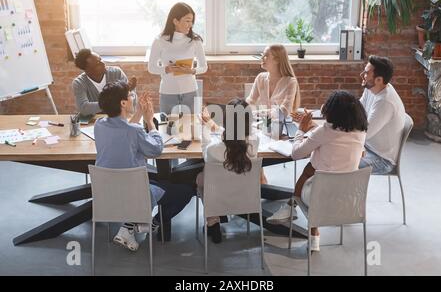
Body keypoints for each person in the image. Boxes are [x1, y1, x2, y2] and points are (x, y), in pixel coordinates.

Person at [94, 82, 195, 251]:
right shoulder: (135, 131)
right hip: (135, 193)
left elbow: (124, 131)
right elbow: (155, 149)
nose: (133, 97)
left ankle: (129, 227)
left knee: (157, 185)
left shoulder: (99, 125)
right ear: (123, 103)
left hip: (107, 193)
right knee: (186, 191)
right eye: (130, 95)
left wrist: (139, 112)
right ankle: (153, 223)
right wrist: (150, 122)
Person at [267, 90, 368, 252]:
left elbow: (296, 154)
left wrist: (301, 129)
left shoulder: (324, 132)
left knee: (311, 168)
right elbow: (335, 137)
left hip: (319, 198)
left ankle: (292, 207)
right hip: (349, 198)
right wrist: (313, 128)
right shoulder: (360, 132)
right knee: (320, 168)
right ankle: (292, 210)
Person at [196, 99, 259, 244]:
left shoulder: (214, 150)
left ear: (226, 121)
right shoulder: (255, 143)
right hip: (245, 197)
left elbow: (205, 149)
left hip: (219, 196)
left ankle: (213, 221)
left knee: (201, 179)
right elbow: (238, 136)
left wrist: (205, 127)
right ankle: (215, 219)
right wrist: (213, 126)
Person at [148, 2, 207, 116]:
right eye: (187, 21)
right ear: (175, 21)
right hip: (168, 91)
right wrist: (167, 69)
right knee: (168, 129)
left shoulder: (195, 40)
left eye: (192, 21)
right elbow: (151, 68)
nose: (190, 25)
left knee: (192, 128)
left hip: (190, 90)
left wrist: (192, 71)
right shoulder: (159, 40)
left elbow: (204, 66)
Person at [359, 55, 406, 174]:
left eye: (366, 73)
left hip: (381, 159)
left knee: (338, 162)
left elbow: (364, 133)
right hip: (367, 147)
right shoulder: (371, 88)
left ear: (379, 80)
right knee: (332, 155)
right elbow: (358, 110)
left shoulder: (385, 102)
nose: (362, 74)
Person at [72, 48, 137, 116]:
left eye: (100, 59)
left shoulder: (117, 73)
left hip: (119, 117)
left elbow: (132, 97)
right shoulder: (79, 83)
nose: (103, 63)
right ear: (87, 70)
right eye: (98, 63)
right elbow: (83, 107)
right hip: (95, 121)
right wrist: (116, 101)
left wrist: (128, 92)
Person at [246, 44, 300, 118]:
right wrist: (241, 109)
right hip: (263, 124)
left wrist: (258, 113)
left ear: (277, 60)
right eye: (262, 55)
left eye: (266, 55)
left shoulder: (290, 82)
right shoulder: (260, 77)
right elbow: (250, 101)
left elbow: (284, 111)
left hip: (282, 126)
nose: (262, 57)